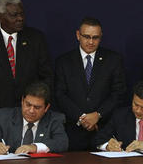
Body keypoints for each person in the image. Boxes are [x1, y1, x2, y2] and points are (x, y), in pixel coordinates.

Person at [54, 17, 126, 150]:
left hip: (104, 130)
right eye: (87, 37)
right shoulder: (63, 62)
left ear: (101, 37)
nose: (91, 42)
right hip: (73, 131)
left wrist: (98, 115)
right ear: (77, 35)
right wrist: (82, 118)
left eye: (95, 37)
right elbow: (60, 94)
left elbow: (119, 93)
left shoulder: (113, 60)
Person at [0, 82, 68, 154]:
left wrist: (34, 147)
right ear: (22, 101)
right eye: (28, 105)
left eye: (37, 107)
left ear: (46, 108)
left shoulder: (54, 119)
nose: (31, 110)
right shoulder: (5, 116)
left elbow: (62, 143)